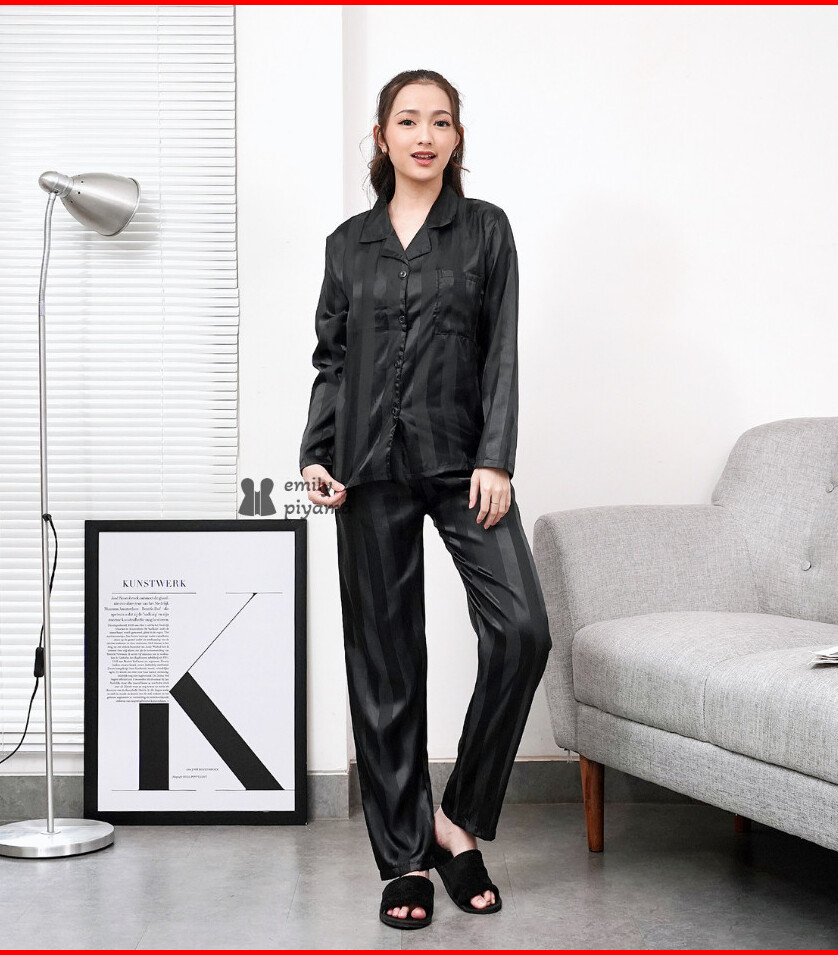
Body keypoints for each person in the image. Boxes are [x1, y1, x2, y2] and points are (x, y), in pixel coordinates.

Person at [298, 69, 552, 931]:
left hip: (460, 460)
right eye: (407, 120)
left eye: (440, 122)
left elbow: (499, 347)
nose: (424, 135)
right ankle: (404, 858)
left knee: (520, 628)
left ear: (456, 138)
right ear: (382, 136)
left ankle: (457, 819)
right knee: (385, 661)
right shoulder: (347, 244)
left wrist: (496, 457)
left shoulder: (484, 230)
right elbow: (333, 359)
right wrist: (316, 453)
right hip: (365, 465)